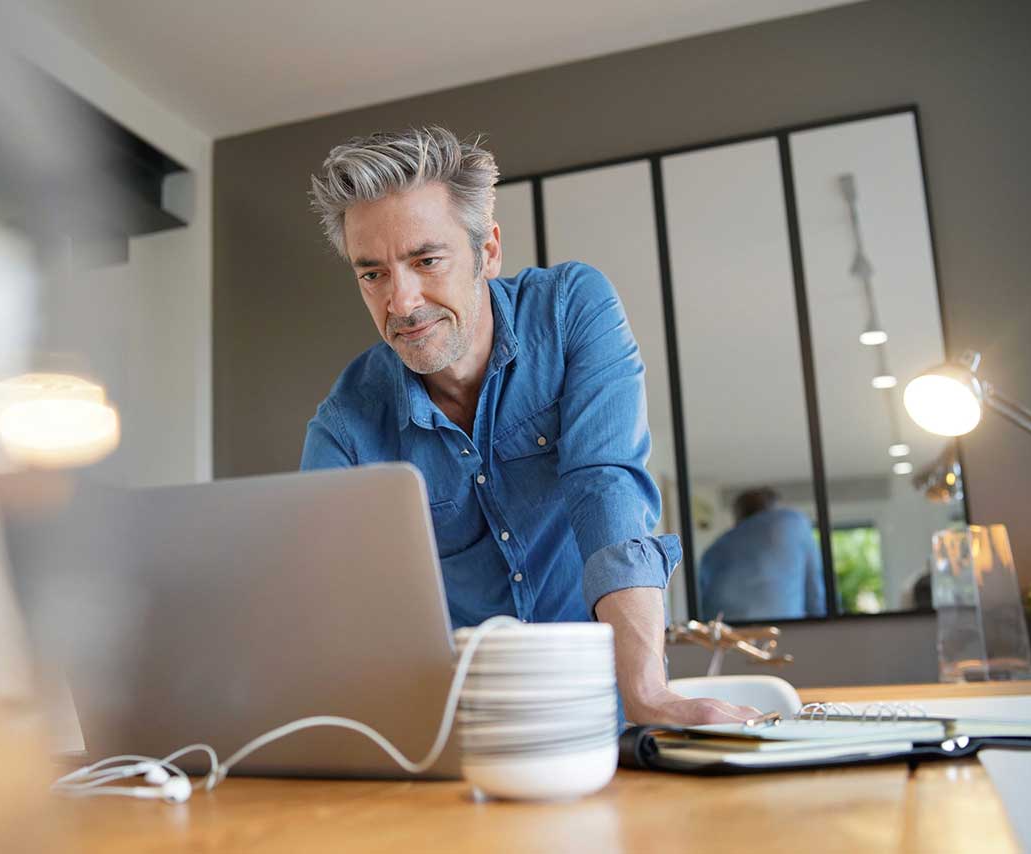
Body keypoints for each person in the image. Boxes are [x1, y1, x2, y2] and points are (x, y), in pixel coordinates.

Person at [301, 127, 754, 726]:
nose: (402, 302)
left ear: (487, 250)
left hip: (608, 719)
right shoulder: (346, 424)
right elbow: (317, 595)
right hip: (463, 736)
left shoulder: (571, 310)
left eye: (426, 260)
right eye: (373, 274)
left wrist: (649, 692)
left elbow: (605, 484)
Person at [698, 488, 826, 621]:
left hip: (726, 632)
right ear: (774, 509)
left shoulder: (714, 549)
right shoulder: (792, 522)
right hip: (784, 629)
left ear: (739, 516)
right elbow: (816, 595)